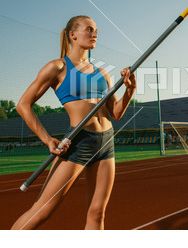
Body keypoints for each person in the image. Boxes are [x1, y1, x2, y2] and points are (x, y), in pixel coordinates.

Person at [11, 15, 136, 230]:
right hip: (78, 142)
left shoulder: (102, 73)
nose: (94, 33)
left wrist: (130, 90)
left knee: (97, 213)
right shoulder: (58, 67)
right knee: (42, 211)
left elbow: (115, 113)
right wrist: (47, 139)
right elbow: (23, 105)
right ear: (73, 34)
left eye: (96, 30)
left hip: (106, 143)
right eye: (89, 29)